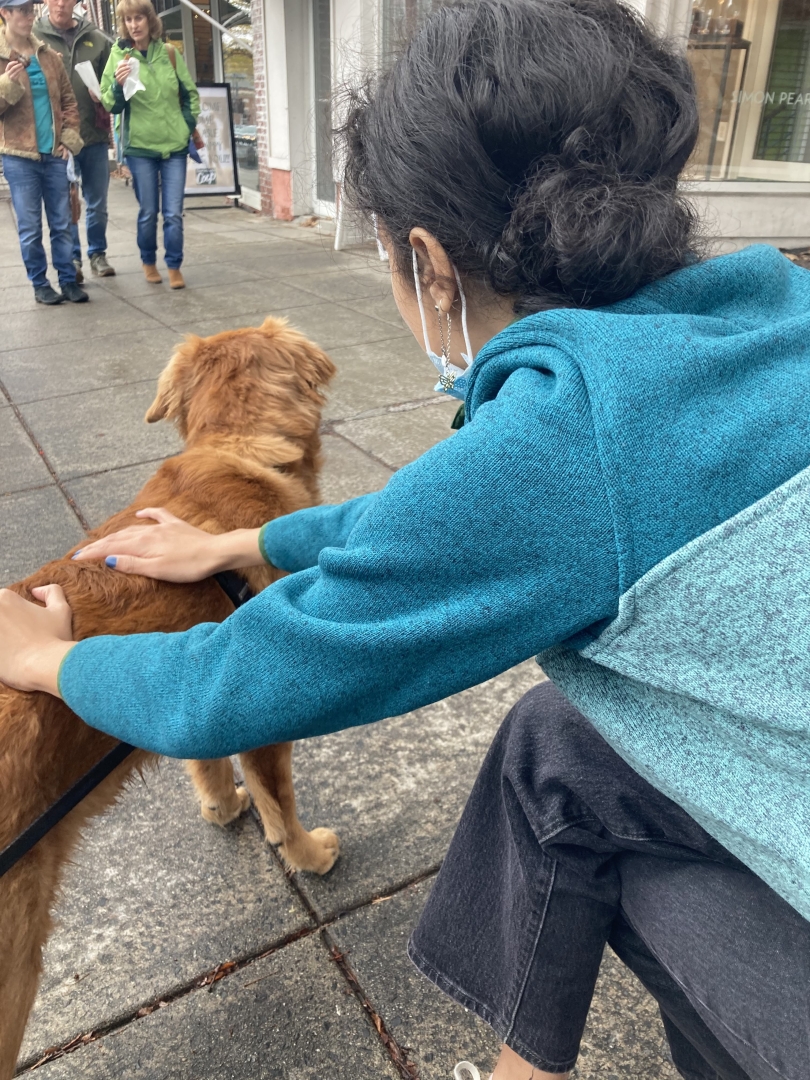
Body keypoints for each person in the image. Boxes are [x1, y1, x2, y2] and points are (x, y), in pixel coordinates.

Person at [1, 1, 808, 1077]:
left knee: (609, 828)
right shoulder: (772, 307)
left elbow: (234, 684)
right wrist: (254, 548)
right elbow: (458, 519)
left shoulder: (569, 440)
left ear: (427, 262)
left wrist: (47, 659)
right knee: (556, 744)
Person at [99, 0, 198, 289]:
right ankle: (148, 261)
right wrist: (118, 85)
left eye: (138, 18)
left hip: (174, 147)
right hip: (140, 146)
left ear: (149, 20)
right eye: (128, 20)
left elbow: (189, 93)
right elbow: (111, 104)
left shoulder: (169, 53)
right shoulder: (119, 56)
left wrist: (186, 126)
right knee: (148, 212)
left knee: (173, 213)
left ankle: (175, 265)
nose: (133, 25)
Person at [0, 0, 88, 304]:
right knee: (30, 228)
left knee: (62, 223)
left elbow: (69, 101)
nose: (28, 15)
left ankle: (68, 280)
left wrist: (68, 140)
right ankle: (39, 284)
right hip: (18, 156)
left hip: (54, 155)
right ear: (5, 13)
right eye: (20, 10)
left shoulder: (48, 56)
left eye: (29, 9)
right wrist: (6, 85)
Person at [34, 0, 116, 282]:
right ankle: (73, 258)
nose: (60, 3)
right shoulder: (34, 37)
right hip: (58, 139)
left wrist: (104, 95)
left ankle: (97, 254)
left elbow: (113, 86)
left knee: (97, 202)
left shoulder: (97, 38)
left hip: (92, 133)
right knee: (67, 203)